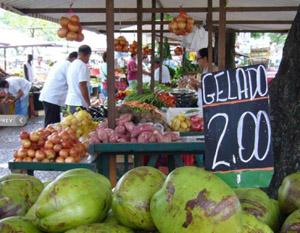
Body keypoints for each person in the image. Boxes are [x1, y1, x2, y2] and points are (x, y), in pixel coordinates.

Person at [39, 51, 78, 127]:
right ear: (74, 58)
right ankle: (47, 138)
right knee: (51, 125)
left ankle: (49, 137)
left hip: (51, 97)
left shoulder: (60, 63)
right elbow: (72, 82)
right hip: (52, 97)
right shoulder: (68, 65)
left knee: (54, 123)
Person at [65, 45, 92, 113]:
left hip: (70, 102)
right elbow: (82, 85)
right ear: (88, 55)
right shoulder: (82, 66)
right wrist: (88, 103)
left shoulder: (72, 64)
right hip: (79, 103)